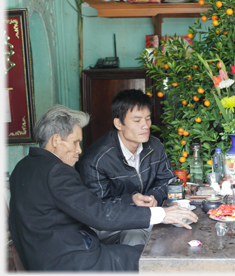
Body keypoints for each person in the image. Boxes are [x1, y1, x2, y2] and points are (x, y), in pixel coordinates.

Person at [8, 105, 197, 271]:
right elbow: (99, 215)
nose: (79, 150)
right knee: (156, 258)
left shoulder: (23, 167)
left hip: (43, 260)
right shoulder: (56, 171)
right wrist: (161, 214)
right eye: (75, 142)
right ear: (56, 140)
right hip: (73, 262)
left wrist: (129, 200)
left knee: (138, 247)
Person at [77, 89, 176, 246]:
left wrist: (153, 197)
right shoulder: (97, 159)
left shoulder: (155, 146)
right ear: (118, 123)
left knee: (179, 225)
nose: (145, 126)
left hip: (147, 216)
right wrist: (131, 200)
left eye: (148, 119)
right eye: (137, 121)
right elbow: (97, 208)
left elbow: (169, 181)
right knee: (135, 234)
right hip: (110, 224)